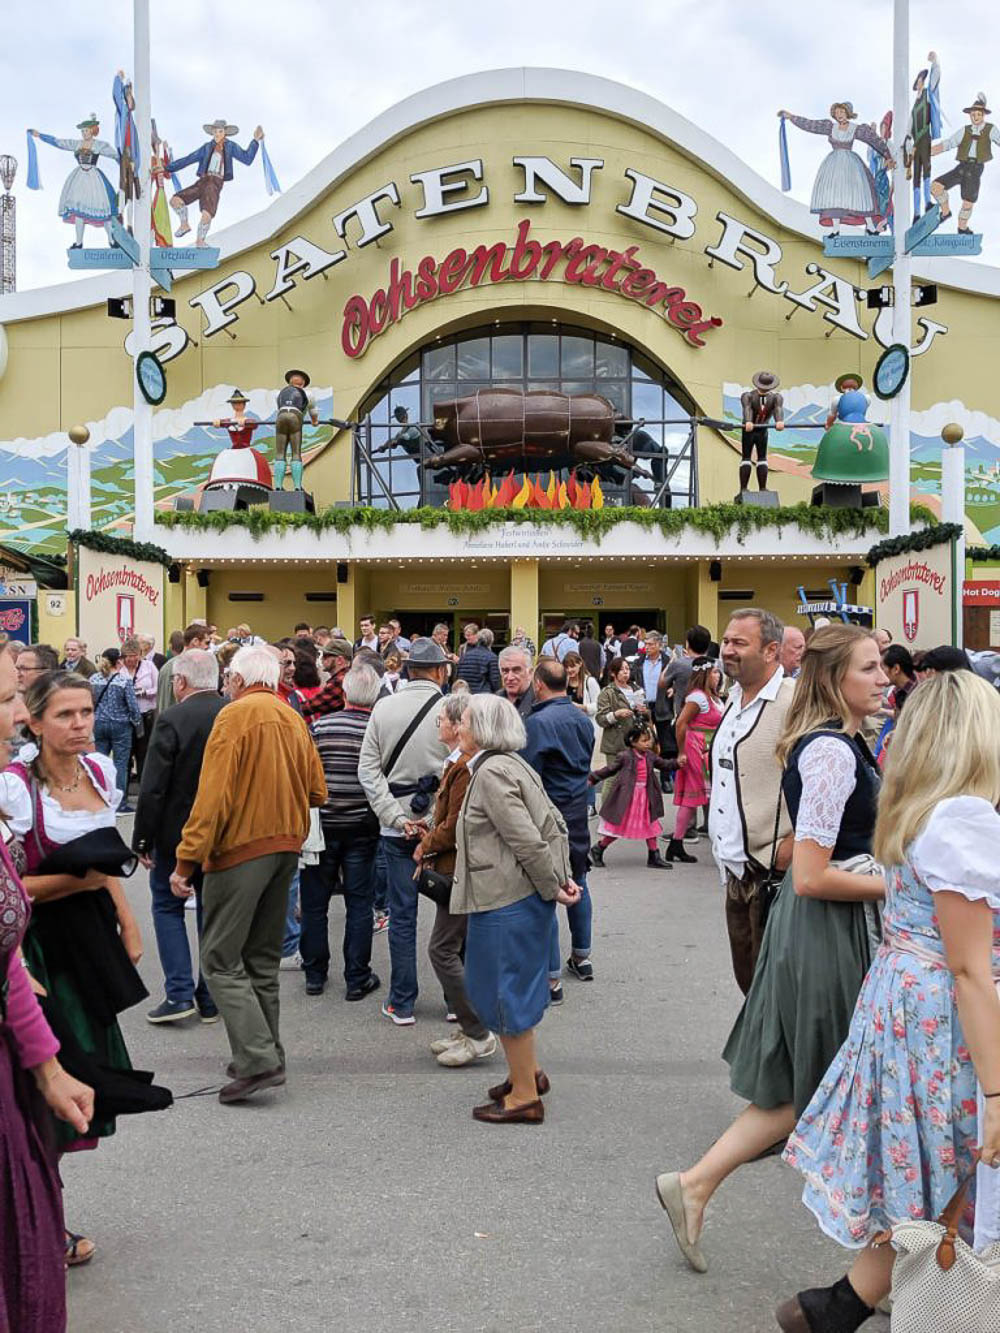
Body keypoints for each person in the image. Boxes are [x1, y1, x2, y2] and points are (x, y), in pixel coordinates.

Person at [656, 625, 887, 1277]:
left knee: (818, 1085)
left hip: (821, 926)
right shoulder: (832, 753)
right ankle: (881, 1267)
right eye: (869, 666)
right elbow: (812, 872)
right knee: (846, 1082)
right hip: (828, 929)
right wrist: (897, 880)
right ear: (835, 677)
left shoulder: (837, 745)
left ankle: (695, 1184)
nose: (883, 676)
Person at [777, 669, 1000, 1332]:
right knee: (961, 1166)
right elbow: (968, 967)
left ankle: (839, 1305)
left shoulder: (925, 809)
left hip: (905, 1001)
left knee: (927, 1173)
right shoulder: (964, 816)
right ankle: (889, 1305)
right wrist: (995, 1093)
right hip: (946, 1016)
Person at [3, 670, 170, 1261]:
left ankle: (44, 1214)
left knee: (80, 1081)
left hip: (90, 943)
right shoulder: (16, 787)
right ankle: (41, 1225)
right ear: (37, 722)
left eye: (86, 712)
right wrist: (87, 883)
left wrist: (125, 917)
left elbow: (106, 863)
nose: (80, 725)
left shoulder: (99, 773)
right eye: (65, 715)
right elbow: (12, 887)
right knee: (45, 1082)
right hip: (40, 947)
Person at [169, 646, 327, 1105]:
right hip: (285, 846)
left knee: (219, 958)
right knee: (260, 960)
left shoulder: (235, 716)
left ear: (237, 680)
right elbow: (319, 790)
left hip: (241, 850)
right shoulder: (291, 716)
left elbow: (211, 798)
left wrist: (186, 861)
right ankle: (264, 1053)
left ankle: (258, 1058)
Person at [0, 645, 95, 1332]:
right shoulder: (15, 785)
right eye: (9, 700)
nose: (15, 716)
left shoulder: (97, 769)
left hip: (52, 959)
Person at [451, 694, 581, 1124]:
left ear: (483, 729)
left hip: (506, 898)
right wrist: (555, 882)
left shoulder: (491, 772)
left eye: (464, 721)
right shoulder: (507, 764)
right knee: (513, 991)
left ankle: (524, 1096)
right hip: (512, 896)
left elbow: (526, 839)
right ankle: (527, 1074)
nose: (457, 727)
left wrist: (553, 887)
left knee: (505, 996)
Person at [358, 637, 449, 1025]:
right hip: (442, 830)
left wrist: (394, 817)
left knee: (402, 916)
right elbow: (463, 771)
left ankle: (403, 1001)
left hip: (397, 829)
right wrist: (433, 819)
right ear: (442, 671)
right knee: (452, 913)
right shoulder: (452, 709)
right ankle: (455, 1000)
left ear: (408, 670)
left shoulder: (384, 707)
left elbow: (368, 770)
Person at [131, 649, 225, 1024]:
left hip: (176, 833)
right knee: (211, 911)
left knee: (167, 906)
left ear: (182, 681)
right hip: (221, 831)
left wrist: (142, 839)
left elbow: (153, 786)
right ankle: (211, 994)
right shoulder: (232, 714)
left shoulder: (171, 720)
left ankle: (179, 993)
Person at [709, 610, 795, 994]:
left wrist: (794, 845)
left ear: (772, 650)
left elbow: (830, 778)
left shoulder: (794, 702)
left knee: (776, 992)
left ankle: (781, 1056)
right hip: (735, 868)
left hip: (772, 872)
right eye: (726, 641)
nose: (727, 650)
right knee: (749, 985)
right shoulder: (733, 698)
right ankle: (762, 1054)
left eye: (739, 643)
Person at [414, 691, 497, 1067]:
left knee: (442, 949)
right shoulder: (457, 763)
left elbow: (456, 825)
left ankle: (478, 1031)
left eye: (448, 721)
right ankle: (470, 1026)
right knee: (452, 948)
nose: (442, 725)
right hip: (457, 866)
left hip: (460, 869)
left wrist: (426, 842)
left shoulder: (464, 766)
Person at [299, 664, 382, 1002]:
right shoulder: (377, 731)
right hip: (362, 823)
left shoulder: (321, 726)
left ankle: (315, 974)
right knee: (359, 903)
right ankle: (356, 976)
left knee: (315, 902)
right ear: (375, 696)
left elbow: (306, 774)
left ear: (344, 693)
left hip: (323, 825)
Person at [522, 659, 598, 990]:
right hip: (577, 808)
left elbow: (527, 771)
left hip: (549, 811)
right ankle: (582, 956)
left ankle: (551, 978)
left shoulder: (538, 723)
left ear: (538, 684)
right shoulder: (580, 718)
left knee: (547, 891)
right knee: (578, 880)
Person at [589, 723, 675, 869]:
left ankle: (654, 856)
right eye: (643, 740)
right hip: (628, 799)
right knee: (619, 826)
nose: (648, 743)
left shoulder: (650, 756)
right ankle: (598, 848)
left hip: (646, 797)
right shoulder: (625, 756)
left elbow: (665, 765)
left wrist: (678, 763)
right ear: (632, 741)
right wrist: (593, 778)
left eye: (649, 740)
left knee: (651, 825)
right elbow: (610, 769)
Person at [665, 659, 724, 864]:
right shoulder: (697, 697)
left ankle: (677, 843)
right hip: (695, 748)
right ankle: (677, 842)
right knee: (691, 798)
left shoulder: (713, 697)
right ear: (705, 674)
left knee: (700, 798)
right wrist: (682, 752)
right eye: (715, 672)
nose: (718, 676)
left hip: (707, 749)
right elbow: (681, 723)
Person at [89, 648, 142, 811]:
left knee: (98, 762)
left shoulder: (93, 679)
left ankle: (99, 799)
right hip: (121, 725)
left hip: (98, 723)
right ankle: (120, 804)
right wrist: (137, 722)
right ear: (119, 661)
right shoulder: (123, 680)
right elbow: (133, 707)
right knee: (120, 764)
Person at [120, 636, 157, 781]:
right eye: (127, 657)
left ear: (140, 655)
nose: (131, 660)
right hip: (125, 716)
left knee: (143, 751)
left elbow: (157, 687)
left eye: (134, 656)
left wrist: (144, 692)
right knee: (126, 751)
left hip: (145, 714)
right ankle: (124, 785)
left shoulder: (149, 666)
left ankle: (143, 783)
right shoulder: (119, 668)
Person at [661, 625, 712, 724]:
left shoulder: (679, 664)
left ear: (688, 643)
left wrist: (672, 660)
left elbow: (662, 683)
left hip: (686, 719)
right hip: (710, 717)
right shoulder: (715, 665)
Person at [157, 623, 211, 713]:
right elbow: (168, 702)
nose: (208, 647)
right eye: (207, 642)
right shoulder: (176, 666)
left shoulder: (195, 664)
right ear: (195, 641)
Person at [595, 658, 639, 765]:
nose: (625, 672)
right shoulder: (607, 693)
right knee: (613, 779)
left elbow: (645, 714)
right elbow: (601, 719)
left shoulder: (636, 689)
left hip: (635, 741)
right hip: (615, 744)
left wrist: (643, 711)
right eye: (621, 669)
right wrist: (616, 714)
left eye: (627, 668)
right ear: (613, 673)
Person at [455, 627, 501, 694]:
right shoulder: (492, 657)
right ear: (491, 641)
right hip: (483, 698)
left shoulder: (464, 656)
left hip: (466, 696)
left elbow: (459, 677)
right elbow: (495, 682)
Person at [497, 645, 535, 717]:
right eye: (505, 671)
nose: (510, 677)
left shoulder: (540, 703)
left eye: (516, 670)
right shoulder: (494, 702)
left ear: (530, 673)